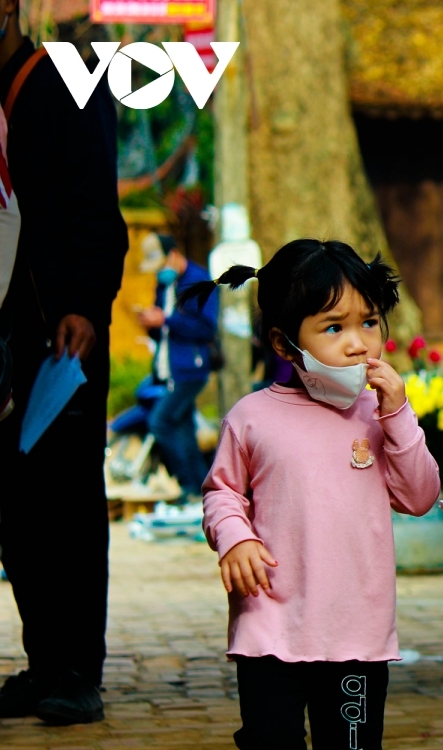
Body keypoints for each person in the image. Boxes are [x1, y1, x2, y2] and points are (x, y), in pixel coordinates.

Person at [187, 239, 440, 749]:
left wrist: (398, 413)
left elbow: (420, 496)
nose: (358, 344)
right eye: (333, 327)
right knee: (269, 739)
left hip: (357, 638)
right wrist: (235, 539)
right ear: (284, 345)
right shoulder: (252, 417)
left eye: (368, 322)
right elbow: (221, 493)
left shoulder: (379, 417)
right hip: (270, 626)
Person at [0, 4, 129, 725]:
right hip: (0, 336)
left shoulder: (68, 81)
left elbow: (96, 212)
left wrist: (84, 302)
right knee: (14, 510)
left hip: (60, 337)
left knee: (67, 503)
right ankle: (44, 660)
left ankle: (78, 671)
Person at [137, 233, 218, 499]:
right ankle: (198, 490)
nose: (159, 272)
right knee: (184, 430)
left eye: (161, 265)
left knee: (160, 422)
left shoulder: (199, 281)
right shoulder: (164, 285)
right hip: (168, 369)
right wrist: (151, 323)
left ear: (173, 255)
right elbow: (162, 327)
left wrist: (166, 319)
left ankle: (187, 483)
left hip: (191, 370)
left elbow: (207, 328)